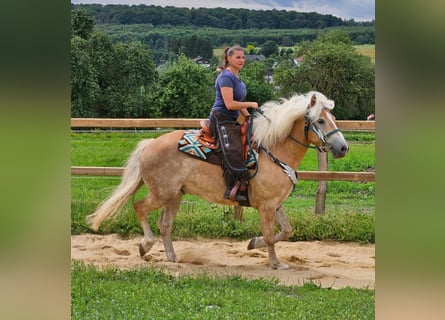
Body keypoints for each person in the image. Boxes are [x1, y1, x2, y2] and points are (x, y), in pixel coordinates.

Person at [208, 45, 259, 202]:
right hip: (220, 118)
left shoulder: (238, 79)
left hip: (231, 119)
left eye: (243, 57)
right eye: (238, 57)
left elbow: (239, 102)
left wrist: (249, 116)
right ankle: (233, 188)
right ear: (229, 59)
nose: (241, 60)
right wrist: (250, 104)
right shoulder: (226, 77)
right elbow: (230, 104)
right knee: (234, 149)